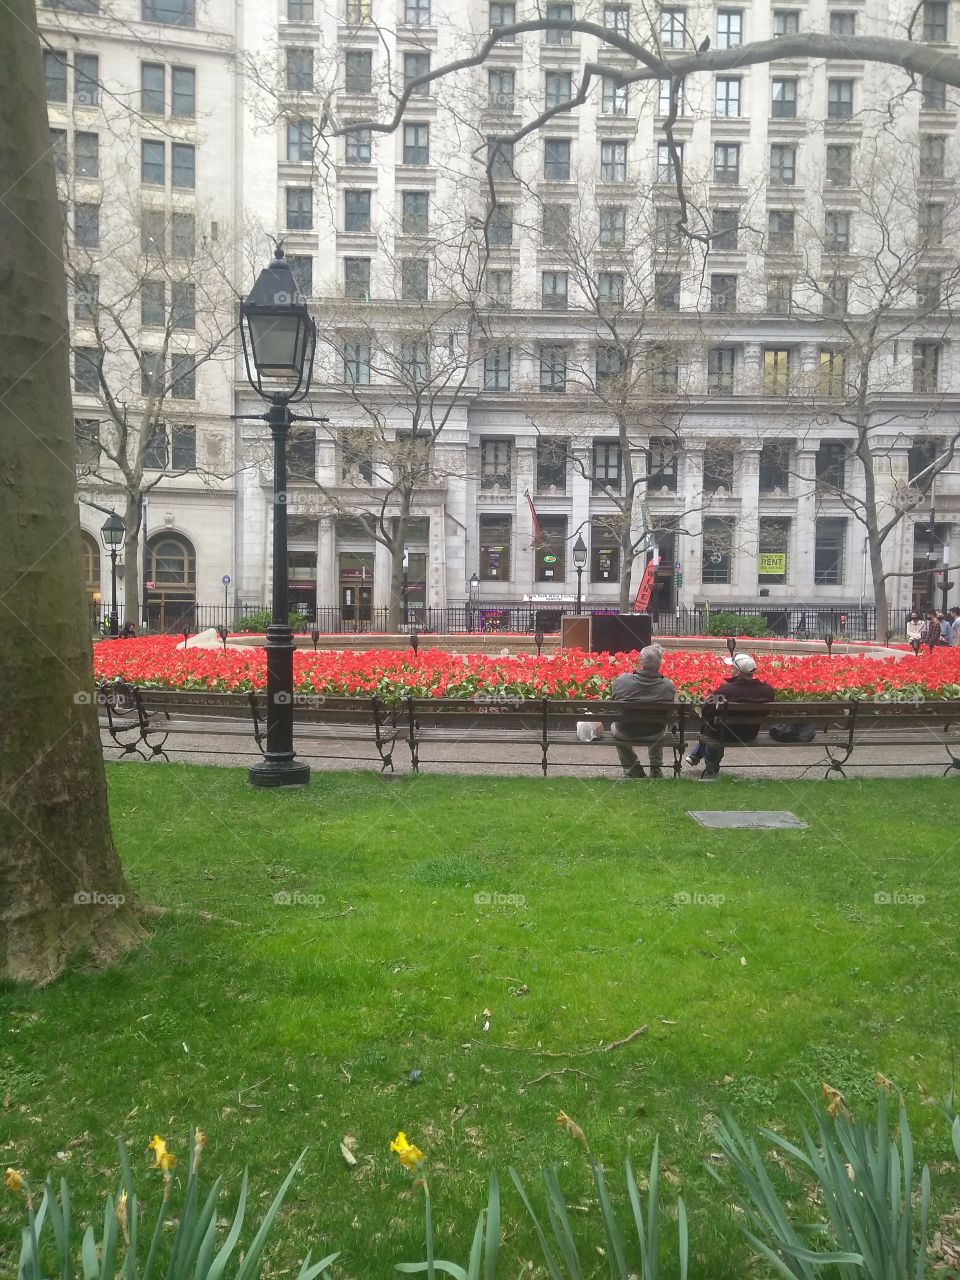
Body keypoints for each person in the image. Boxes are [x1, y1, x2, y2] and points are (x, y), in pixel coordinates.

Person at [697, 653, 776, 780]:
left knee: (710, 728)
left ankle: (710, 768)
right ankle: (698, 757)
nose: (730, 669)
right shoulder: (767, 690)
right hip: (750, 734)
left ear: (738, 672)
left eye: (732, 667)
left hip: (726, 734)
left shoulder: (726, 690)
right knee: (713, 727)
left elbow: (706, 710)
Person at [610, 645, 676, 779]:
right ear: (659, 663)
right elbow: (668, 713)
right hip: (654, 733)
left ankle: (633, 768)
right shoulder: (667, 686)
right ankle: (656, 769)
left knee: (615, 727)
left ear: (640, 661)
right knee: (660, 725)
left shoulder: (622, 680)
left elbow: (614, 703)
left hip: (625, 732)